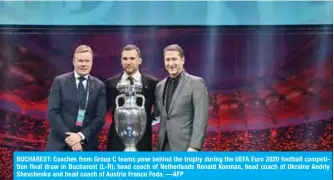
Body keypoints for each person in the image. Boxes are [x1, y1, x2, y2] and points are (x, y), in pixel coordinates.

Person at [46, 45, 107, 151]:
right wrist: (70, 138)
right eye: (80, 61)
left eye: (87, 61)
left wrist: (80, 136)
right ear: (74, 61)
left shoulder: (99, 86)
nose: (84, 64)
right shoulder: (59, 81)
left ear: (91, 62)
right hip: (60, 145)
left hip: (87, 146)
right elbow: (53, 112)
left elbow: (100, 118)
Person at [155, 44, 209, 151]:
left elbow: (201, 117)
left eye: (174, 59)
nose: (171, 63)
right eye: (167, 60)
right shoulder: (159, 86)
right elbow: (159, 116)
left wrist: (195, 146)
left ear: (182, 60)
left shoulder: (196, 83)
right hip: (163, 147)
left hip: (186, 147)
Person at [105, 44, 159, 151]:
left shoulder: (152, 83)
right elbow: (103, 110)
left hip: (142, 141)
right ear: (121, 61)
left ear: (139, 60)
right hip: (116, 142)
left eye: (132, 58)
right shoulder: (111, 84)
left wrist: (143, 123)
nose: (128, 62)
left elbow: (158, 111)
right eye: (125, 58)